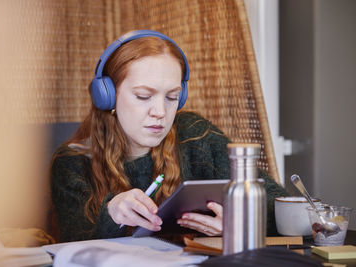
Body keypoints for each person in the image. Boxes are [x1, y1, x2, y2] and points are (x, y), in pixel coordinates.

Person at [50, 30, 288, 242]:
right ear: (107, 96)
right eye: (144, 96)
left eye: (172, 97)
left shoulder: (197, 136)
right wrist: (111, 215)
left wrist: (239, 225)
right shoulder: (72, 163)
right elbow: (72, 245)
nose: (161, 113)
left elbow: (283, 208)